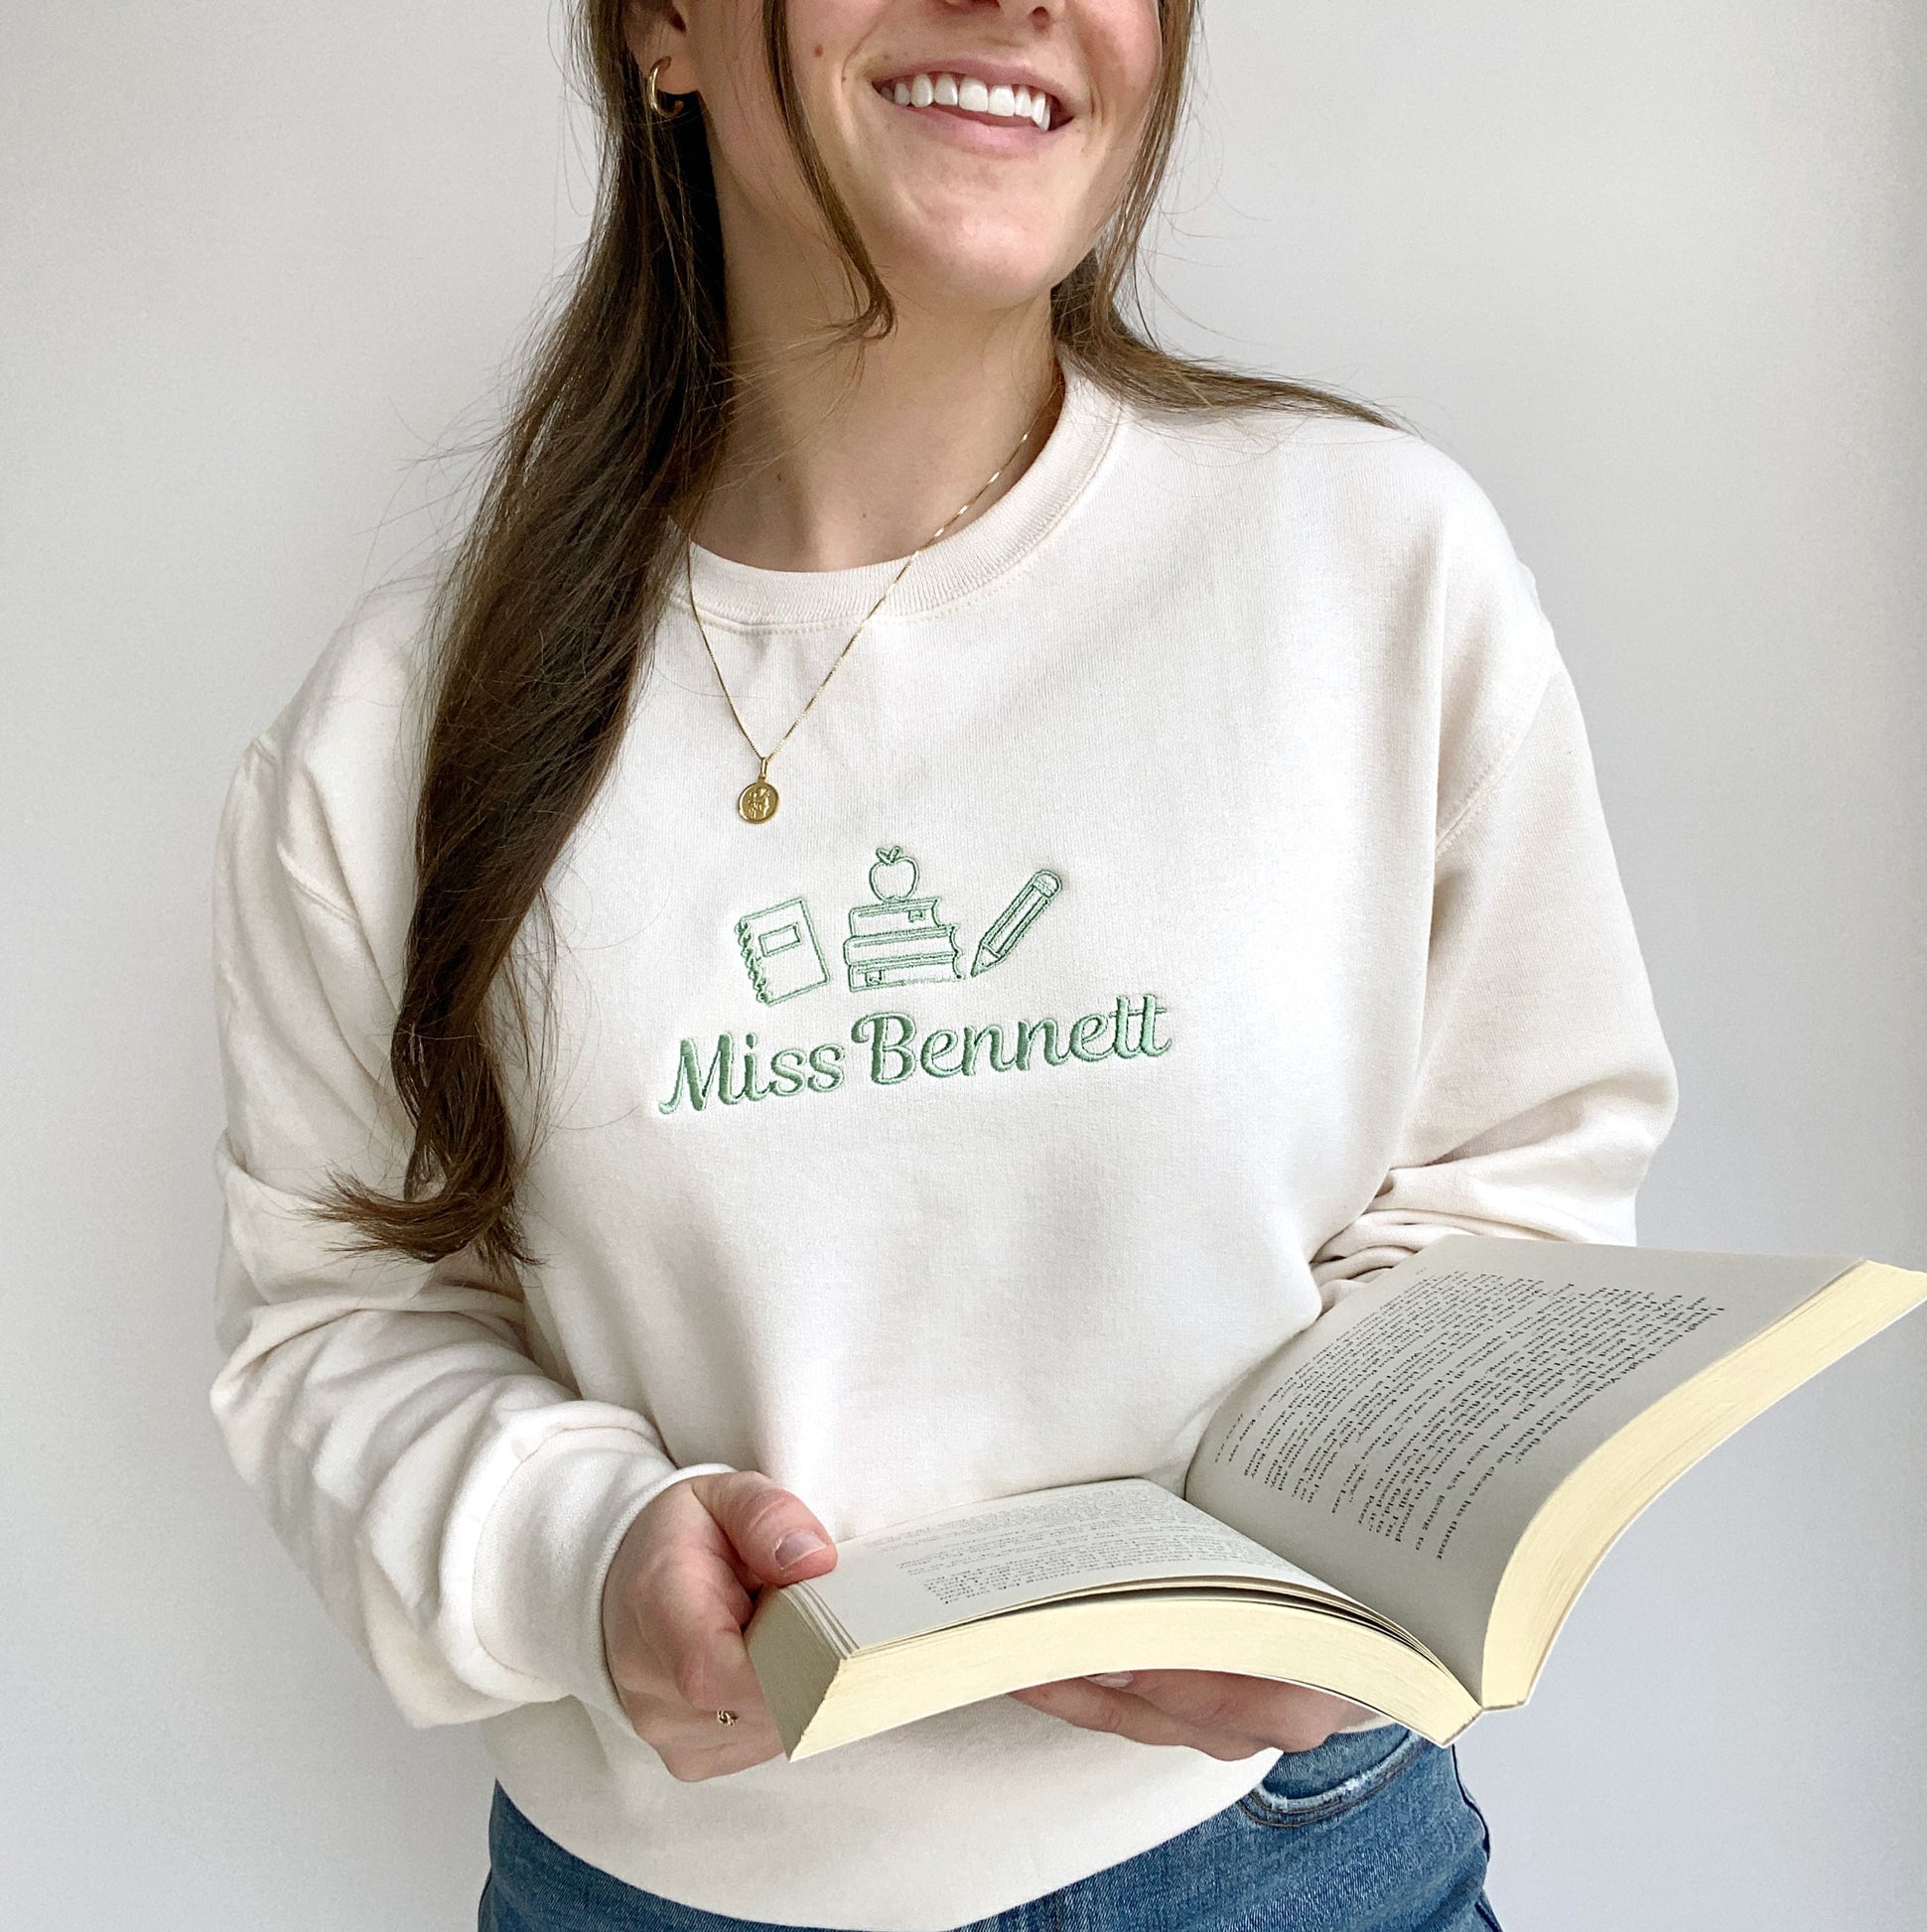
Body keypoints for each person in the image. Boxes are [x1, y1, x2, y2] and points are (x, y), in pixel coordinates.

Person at [207, 1, 1678, 1928]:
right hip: (668, 1892)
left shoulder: (1365, 567)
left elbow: (1518, 1181)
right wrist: (591, 1549)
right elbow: (339, 1323)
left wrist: (1353, 1578)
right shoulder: (400, 728)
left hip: (1290, 1856)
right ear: (662, 26)